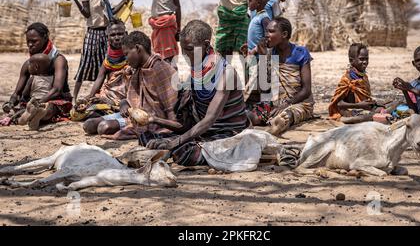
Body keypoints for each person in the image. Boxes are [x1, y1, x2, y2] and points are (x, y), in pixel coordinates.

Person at [143, 20, 249, 166]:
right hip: (204, 133)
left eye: (190, 49)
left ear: (206, 45)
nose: (186, 55)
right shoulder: (195, 73)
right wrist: (155, 120)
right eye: (183, 50)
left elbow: (209, 120)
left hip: (227, 134)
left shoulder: (226, 73)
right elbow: (189, 123)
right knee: (147, 137)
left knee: (183, 153)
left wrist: (175, 142)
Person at [83, 31, 179, 138]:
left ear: (138, 49)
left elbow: (172, 112)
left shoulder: (160, 70)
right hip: (131, 115)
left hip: (150, 121)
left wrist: (154, 121)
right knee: (89, 125)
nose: (126, 60)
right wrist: (124, 103)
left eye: (126, 54)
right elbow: (126, 97)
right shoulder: (136, 70)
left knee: (103, 127)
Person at [64, 0, 132, 102]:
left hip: (107, 33)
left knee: (108, 65)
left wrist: (124, 1)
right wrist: (75, 0)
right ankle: (74, 99)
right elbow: (87, 13)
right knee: (85, 64)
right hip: (94, 32)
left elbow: (111, 12)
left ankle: (103, 95)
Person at [247, 17, 314, 135]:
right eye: (266, 31)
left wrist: (287, 104)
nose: (267, 35)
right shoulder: (269, 53)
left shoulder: (300, 52)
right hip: (274, 102)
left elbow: (306, 89)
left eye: (271, 31)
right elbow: (264, 87)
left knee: (287, 115)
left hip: (298, 103)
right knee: (251, 117)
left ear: (284, 34)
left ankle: (278, 124)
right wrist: (262, 58)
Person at [1, 23, 72, 128]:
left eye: (34, 41)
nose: (30, 44)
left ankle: (36, 114)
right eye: (28, 42)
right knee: (23, 108)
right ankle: (31, 114)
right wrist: (10, 103)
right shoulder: (30, 63)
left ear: (45, 38)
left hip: (56, 100)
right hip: (33, 101)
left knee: (49, 108)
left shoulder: (58, 60)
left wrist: (38, 102)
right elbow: (17, 92)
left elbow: (57, 89)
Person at [71, 19, 131, 121]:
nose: (116, 38)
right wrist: (89, 98)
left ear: (126, 34)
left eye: (120, 34)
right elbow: (99, 80)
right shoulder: (107, 60)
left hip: (128, 97)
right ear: (107, 37)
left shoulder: (132, 56)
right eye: (113, 35)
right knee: (84, 111)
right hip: (110, 96)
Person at [328, 43, 383, 123]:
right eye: (361, 59)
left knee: (390, 104)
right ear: (351, 60)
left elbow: (365, 98)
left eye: (366, 59)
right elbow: (338, 104)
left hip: (363, 109)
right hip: (350, 112)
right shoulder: (347, 79)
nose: (365, 62)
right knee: (380, 111)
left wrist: (369, 103)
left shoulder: (364, 77)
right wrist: (359, 105)